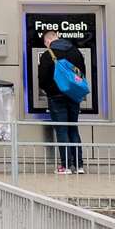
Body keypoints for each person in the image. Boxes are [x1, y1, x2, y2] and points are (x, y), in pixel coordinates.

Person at [38, 30, 87, 174]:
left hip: (56, 97)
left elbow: (42, 79)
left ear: (48, 41)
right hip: (73, 95)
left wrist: (50, 90)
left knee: (61, 130)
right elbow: (81, 73)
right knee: (73, 128)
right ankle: (79, 166)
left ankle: (65, 166)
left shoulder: (48, 55)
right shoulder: (75, 52)